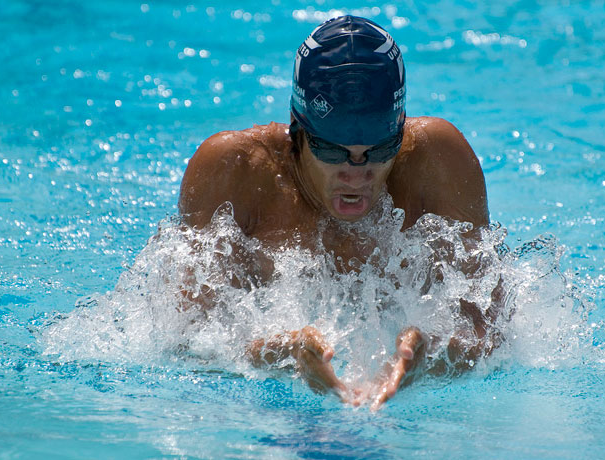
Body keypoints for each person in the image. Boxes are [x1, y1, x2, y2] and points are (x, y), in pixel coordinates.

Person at [178, 15, 501, 410]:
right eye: (333, 152)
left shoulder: (438, 161)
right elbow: (186, 340)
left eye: (380, 151)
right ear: (299, 131)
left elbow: (490, 331)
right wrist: (280, 354)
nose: (356, 174)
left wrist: (431, 356)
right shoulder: (234, 172)